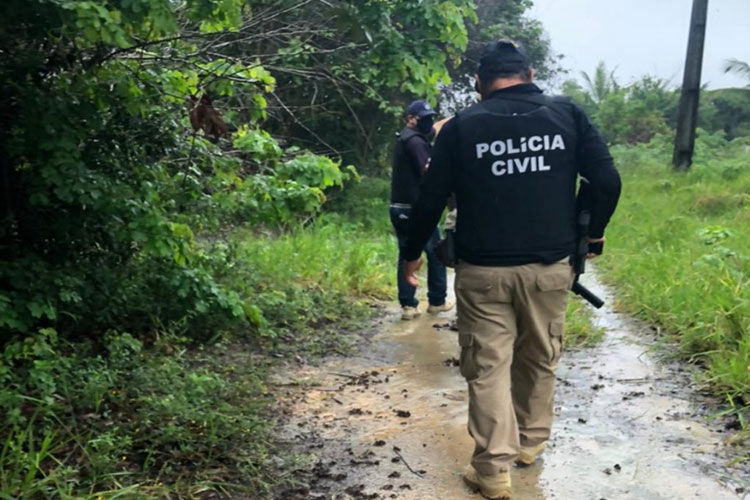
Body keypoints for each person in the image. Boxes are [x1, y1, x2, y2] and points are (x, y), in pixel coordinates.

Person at [402, 41, 621, 499]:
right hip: (551, 267)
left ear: (480, 83)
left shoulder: (460, 128)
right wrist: (592, 233)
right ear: (531, 73)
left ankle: (492, 472)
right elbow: (605, 180)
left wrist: (412, 254)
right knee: (540, 356)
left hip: (483, 271)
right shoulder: (567, 115)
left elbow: (430, 198)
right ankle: (529, 444)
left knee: (487, 367)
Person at [390, 99, 453, 320]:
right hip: (415, 209)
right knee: (436, 252)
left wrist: (455, 118)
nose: (428, 122)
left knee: (407, 254)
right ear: (410, 119)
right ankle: (437, 301)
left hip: (399, 207)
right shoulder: (416, 142)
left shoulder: (407, 138)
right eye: (423, 118)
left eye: (430, 118)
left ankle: (408, 305)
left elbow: (435, 129)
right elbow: (428, 170)